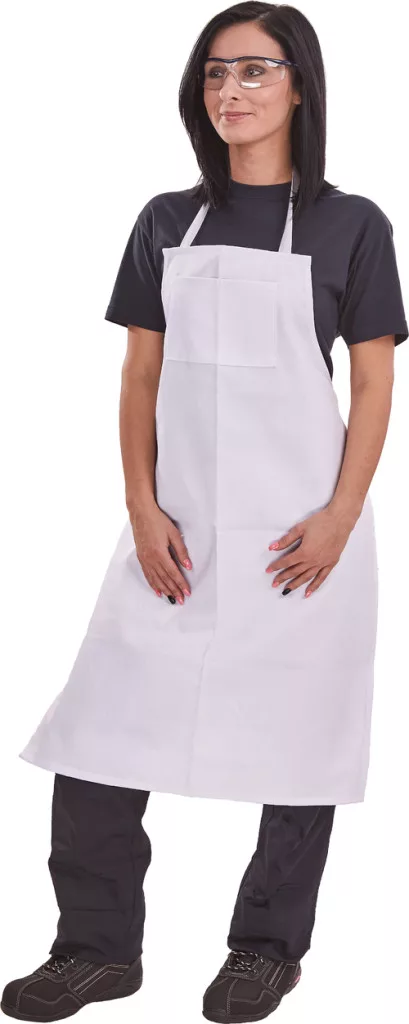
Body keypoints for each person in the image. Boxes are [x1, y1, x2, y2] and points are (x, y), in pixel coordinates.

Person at [2, 2, 408, 1022]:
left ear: (300, 87)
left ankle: (266, 950)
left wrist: (340, 516)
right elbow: (139, 377)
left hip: (298, 536)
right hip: (174, 534)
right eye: (215, 72)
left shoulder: (351, 223)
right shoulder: (162, 220)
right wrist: (141, 509)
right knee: (94, 738)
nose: (231, 90)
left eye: (255, 70)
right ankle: (96, 949)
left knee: (301, 745)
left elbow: (372, 384)